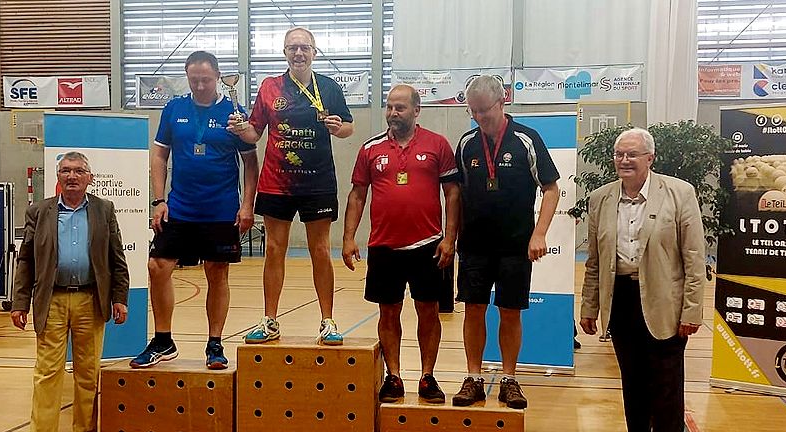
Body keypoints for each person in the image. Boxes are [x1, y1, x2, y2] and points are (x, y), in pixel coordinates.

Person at [579, 127, 705, 432]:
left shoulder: (680, 194)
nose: (624, 161)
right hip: (620, 301)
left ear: (650, 158)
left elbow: (695, 259)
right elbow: (594, 261)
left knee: (666, 389)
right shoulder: (601, 199)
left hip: (665, 305)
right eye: (619, 154)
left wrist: (692, 310)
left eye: (632, 154)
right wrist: (589, 306)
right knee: (632, 383)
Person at [130, 51, 259, 370]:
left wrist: (247, 206)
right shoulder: (174, 109)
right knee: (158, 266)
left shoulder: (234, 111)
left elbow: (251, 162)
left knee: (217, 272)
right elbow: (159, 157)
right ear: (187, 78)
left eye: (206, 79)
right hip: (180, 208)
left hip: (221, 209)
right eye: (194, 79)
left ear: (218, 77)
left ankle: (215, 343)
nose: (200, 85)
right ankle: (163, 340)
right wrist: (159, 200)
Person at [228, 27, 353, 346]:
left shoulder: (328, 86)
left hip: (318, 182)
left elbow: (348, 127)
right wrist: (241, 129)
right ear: (285, 52)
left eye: (304, 48)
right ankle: (270, 320)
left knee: (321, 250)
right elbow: (255, 133)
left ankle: (327, 320)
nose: (298, 53)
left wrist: (339, 128)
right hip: (276, 182)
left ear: (314, 51)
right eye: (292, 48)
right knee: (273, 249)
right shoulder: (270, 87)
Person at [11, 151, 129, 432]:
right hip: (52, 300)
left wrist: (120, 297)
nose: (72, 176)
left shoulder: (104, 210)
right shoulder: (39, 212)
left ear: (89, 178)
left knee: (87, 372)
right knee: (47, 372)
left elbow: (116, 257)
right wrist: (20, 301)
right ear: (58, 177)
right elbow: (26, 261)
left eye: (79, 171)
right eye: (66, 170)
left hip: (91, 300)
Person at [342, 84, 460, 404]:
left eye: (401, 108)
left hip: (428, 246)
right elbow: (357, 195)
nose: (393, 113)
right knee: (388, 312)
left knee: (428, 312)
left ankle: (427, 376)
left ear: (416, 110)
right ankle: (393, 377)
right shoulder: (370, 148)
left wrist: (450, 238)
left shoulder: (438, 145)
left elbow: (452, 193)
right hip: (384, 247)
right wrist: (349, 237)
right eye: (390, 107)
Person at [451, 75, 561, 410]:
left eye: (485, 112)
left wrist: (539, 233)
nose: (480, 119)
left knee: (510, 312)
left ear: (503, 102)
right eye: (474, 113)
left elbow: (551, 189)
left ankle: (510, 379)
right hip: (474, 245)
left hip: (515, 245)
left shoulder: (527, 140)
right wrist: (449, 236)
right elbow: (455, 195)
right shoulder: (467, 143)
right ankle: (473, 377)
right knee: (474, 309)